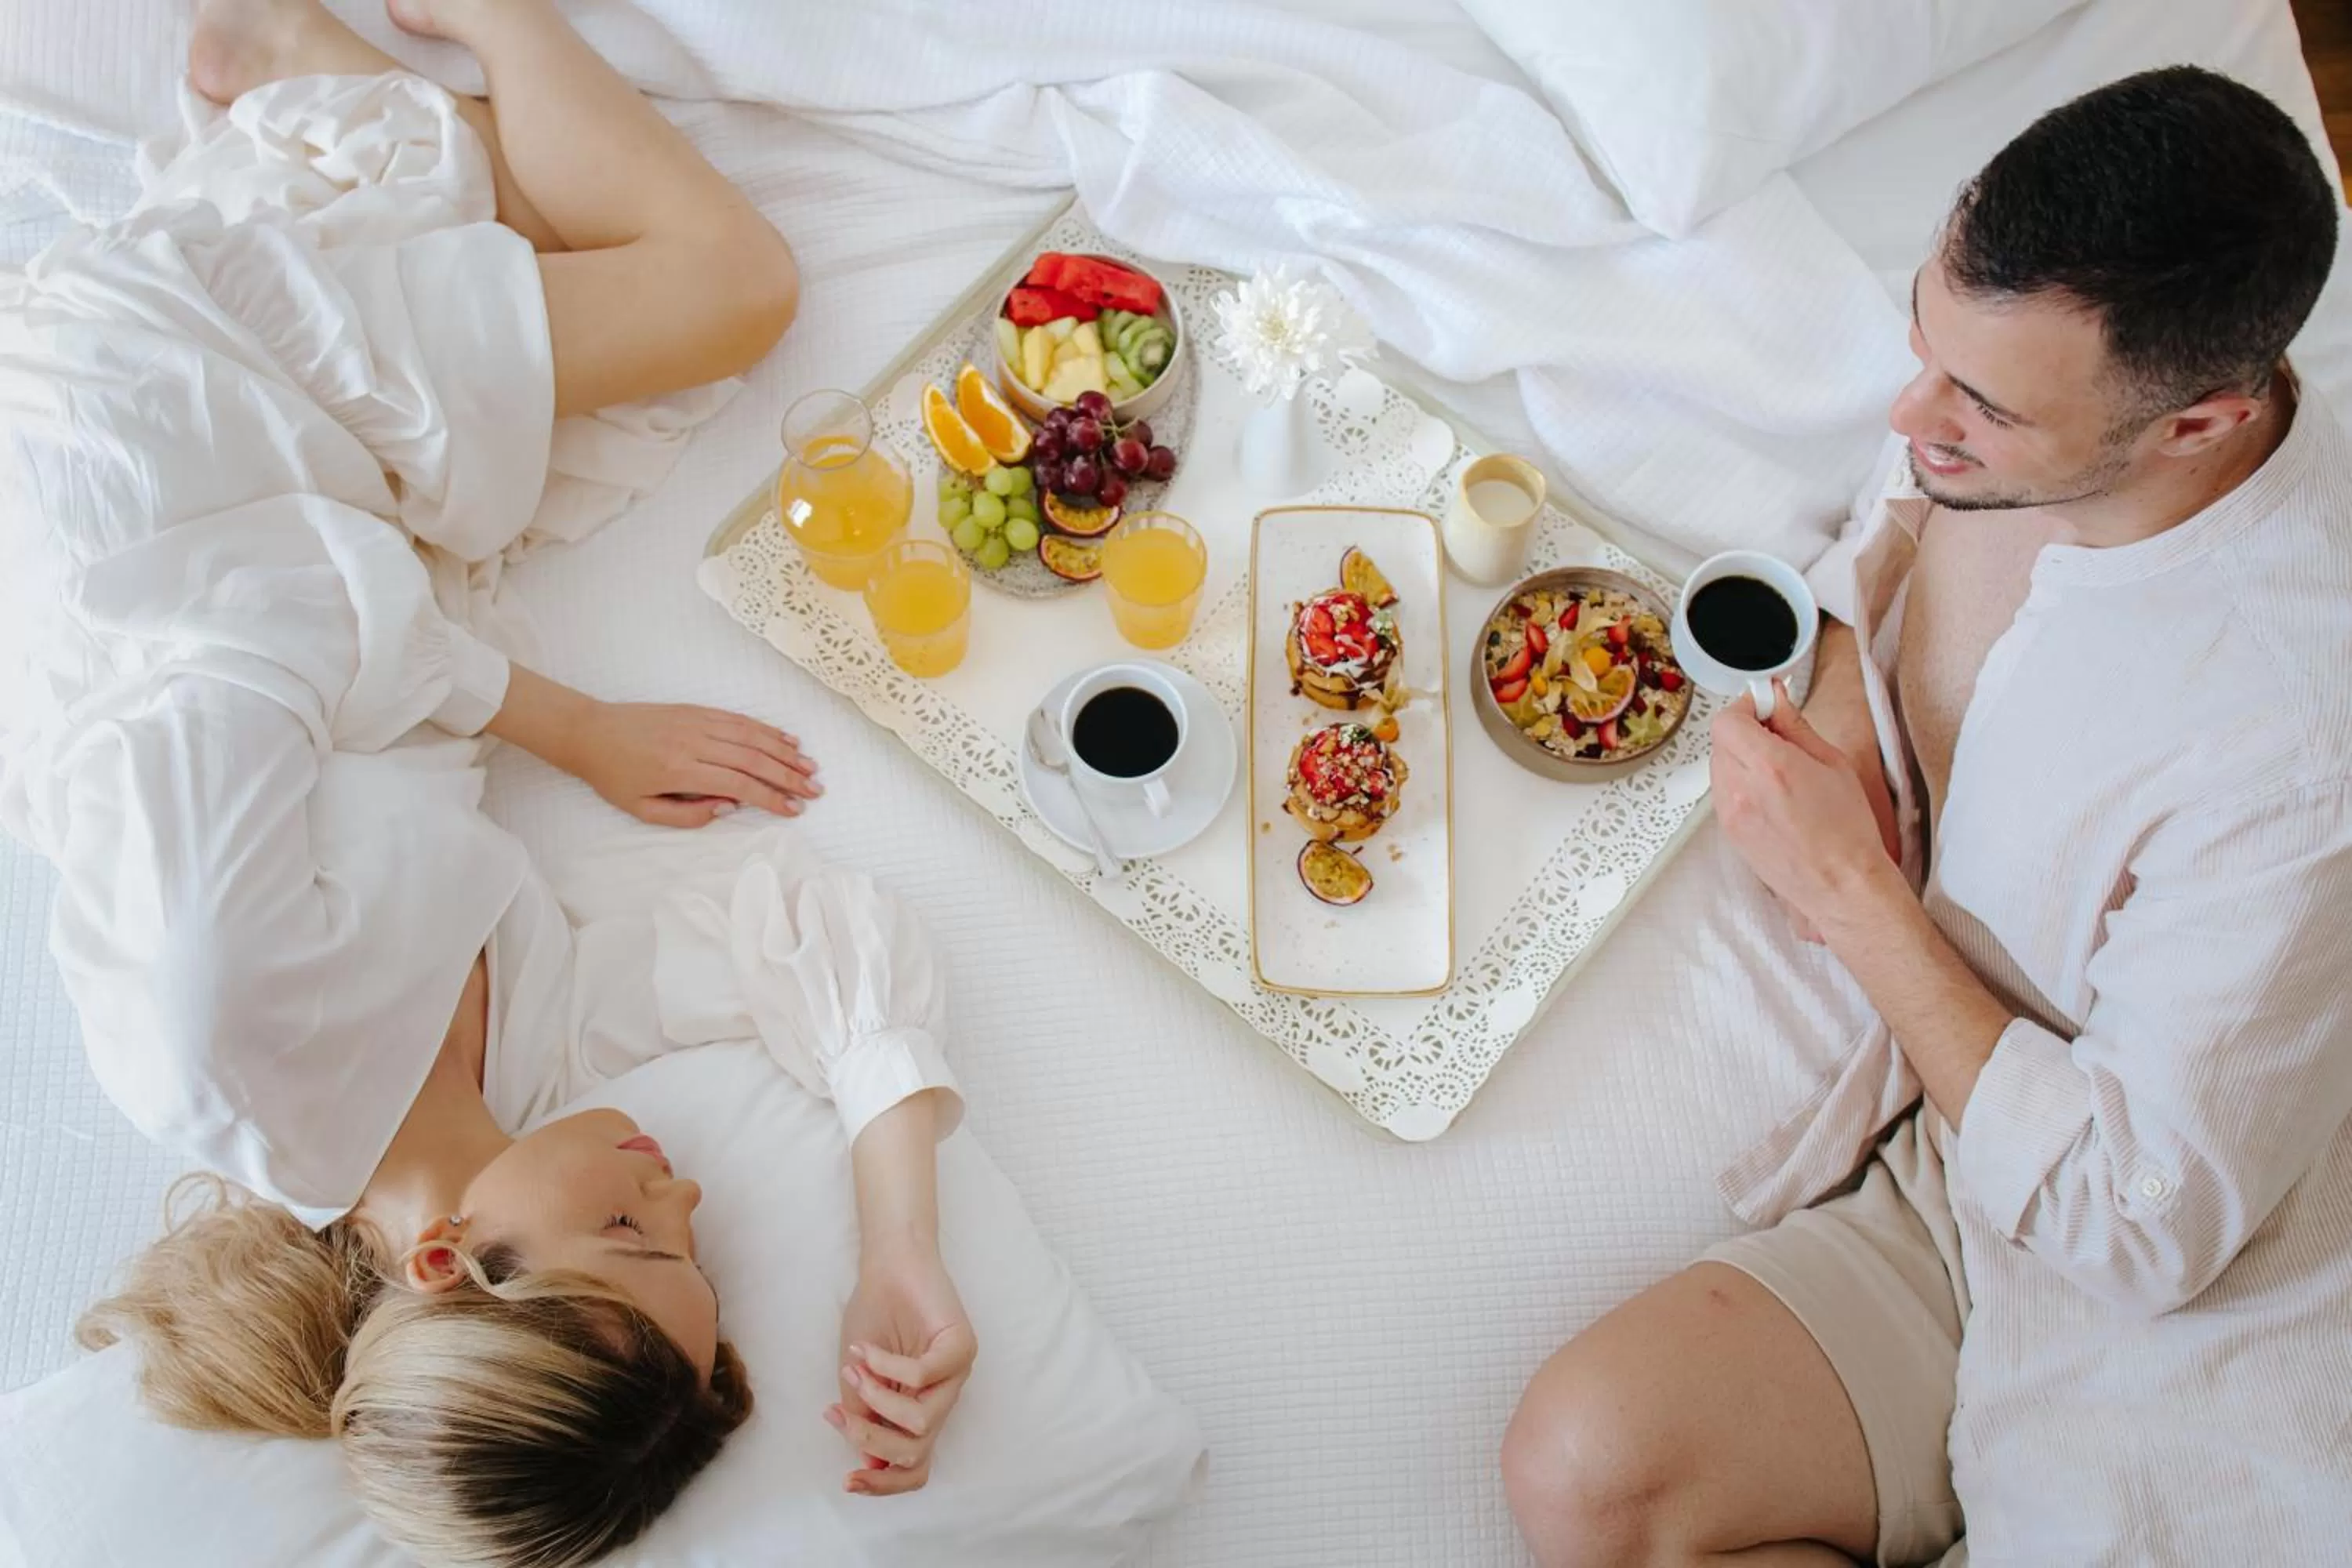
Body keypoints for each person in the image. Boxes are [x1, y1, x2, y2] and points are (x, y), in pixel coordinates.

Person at [0, 0, 976, 1561]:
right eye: (692, 1250)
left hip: (157, 447)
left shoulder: (221, 1024)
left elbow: (267, 620)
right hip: (332, 529)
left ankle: (398, 39)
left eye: (632, 1232)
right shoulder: (519, 1076)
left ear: (448, 1260)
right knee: (535, 256)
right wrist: (902, 1241)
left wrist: (576, 728)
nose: (681, 1195)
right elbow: (811, 936)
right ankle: (305, 80)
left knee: (727, 286)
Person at [1502, 67, 2350, 1566]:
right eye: (1924, 339)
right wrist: (1847, 675)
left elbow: (2142, 1219)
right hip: (1953, 1180)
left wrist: (1854, 901)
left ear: (2201, 425)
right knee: (1591, 1473)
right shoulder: (2045, 422)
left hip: (2172, 1306)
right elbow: (1906, 505)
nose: (1910, 415)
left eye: (1982, 406)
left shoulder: (2294, 754)